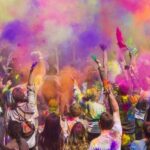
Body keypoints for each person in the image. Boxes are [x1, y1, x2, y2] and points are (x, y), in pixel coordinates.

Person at [6, 62, 39, 149]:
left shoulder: (10, 110)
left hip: (18, 144)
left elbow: (8, 126)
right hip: (31, 142)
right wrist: (31, 72)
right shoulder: (30, 106)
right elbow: (30, 87)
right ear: (23, 95)